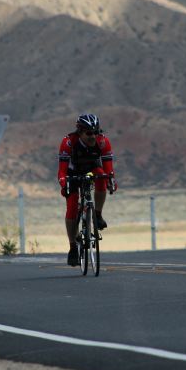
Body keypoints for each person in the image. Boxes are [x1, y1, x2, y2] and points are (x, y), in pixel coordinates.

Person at [58, 113, 117, 266]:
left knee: (102, 177)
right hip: (73, 173)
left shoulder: (103, 142)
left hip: (92, 169)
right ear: (80, 132)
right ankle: (72, 248)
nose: (93, 136)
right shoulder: (68, 142)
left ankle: (97, 214)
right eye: (89, 133)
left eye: (96, 132)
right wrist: (64, 183)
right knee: (71, 207)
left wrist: (111, 180)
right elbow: (62, 171)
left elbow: (109, 169)